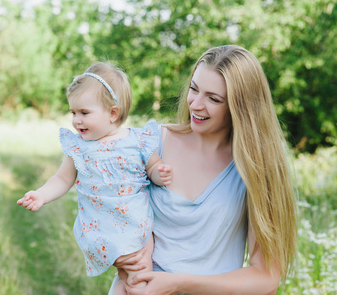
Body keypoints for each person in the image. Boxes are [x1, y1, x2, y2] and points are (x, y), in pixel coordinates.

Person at [110, 45, 297, 295]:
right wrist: (115, 252)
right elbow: (103, 206)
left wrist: (179, 283)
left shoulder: (257, 168)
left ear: (240, 107)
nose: (196, 104)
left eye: (213, 99)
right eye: (194, 89)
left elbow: (266, 277)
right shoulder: (151, 142)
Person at [16, 62, 173, 295]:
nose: (76, 120)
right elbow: (62, 178)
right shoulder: (80, 147)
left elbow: (153, 168)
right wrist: (41, 195)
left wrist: (160, 173)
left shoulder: (137, 141)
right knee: (132, 277)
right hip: (101, 230)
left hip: (134, 226)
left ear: (113, 113)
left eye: (84, 113)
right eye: (73, 112)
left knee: (137, 278)